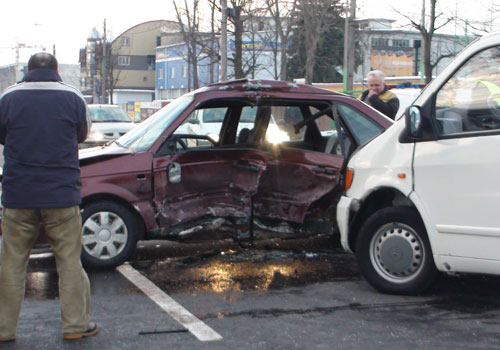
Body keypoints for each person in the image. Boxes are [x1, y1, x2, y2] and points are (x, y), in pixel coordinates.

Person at [0, 53, 97, 342]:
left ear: (26, 71)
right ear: (56, 70)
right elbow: (81, 135)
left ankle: (4, 329)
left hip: (18, 195)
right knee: (68, 262)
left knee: (12, 262)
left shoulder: (8, 97)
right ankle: (75, 326)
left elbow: (2, 137)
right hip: (61, 195)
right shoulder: (73, 97)